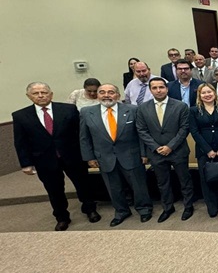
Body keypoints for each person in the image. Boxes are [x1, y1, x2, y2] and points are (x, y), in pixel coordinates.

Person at [13, 82, 100, 231]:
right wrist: (25, 163)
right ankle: (62, 217)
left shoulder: (68, 109)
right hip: (44, 160)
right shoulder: (20, 116)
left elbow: (81, 134)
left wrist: (88, 154)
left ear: (51, 94)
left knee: (83, 184)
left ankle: (90, 209)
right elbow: (21, 142)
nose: (41, 96)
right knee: (54, 190)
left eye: (44, 92)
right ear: (29, 96)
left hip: (72, 156)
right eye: (36, 93)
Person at [80, 83, 153, 226]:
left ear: (118, 95)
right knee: (113, 188)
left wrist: (144, 153)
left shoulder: (132, 109)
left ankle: (144, 209)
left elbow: (141, 133)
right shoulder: (86, 112)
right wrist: (89, 157)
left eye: (111, 92)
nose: (106, 95)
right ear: (97, 95)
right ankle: (121, 211)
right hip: (105, 157)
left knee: (138, 186)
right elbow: (84, 137)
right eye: (102, 92)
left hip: (131, 155)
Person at [135, 77, 194, 223]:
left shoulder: (180, 106)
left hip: (177, 150)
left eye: (161, 87)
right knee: (162, 183)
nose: (158, 90)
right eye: (154, 88)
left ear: (167, 89)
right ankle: (168, 208)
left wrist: (170, 146)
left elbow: (184, 129)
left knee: (184, 181)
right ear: (150, 90)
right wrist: (156, 147)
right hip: (156, 153)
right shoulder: (142, 108)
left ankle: (188, 206)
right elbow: (141, 130)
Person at [189, 83, 218, 218]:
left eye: (209, 92)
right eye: (204, 93)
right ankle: (212, 207)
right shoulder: (194, 110)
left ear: (214, 93)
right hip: (204, 151)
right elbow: (194, 132)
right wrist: (208, 150)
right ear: (199, 95)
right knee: (206, 180)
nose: (207, 95)